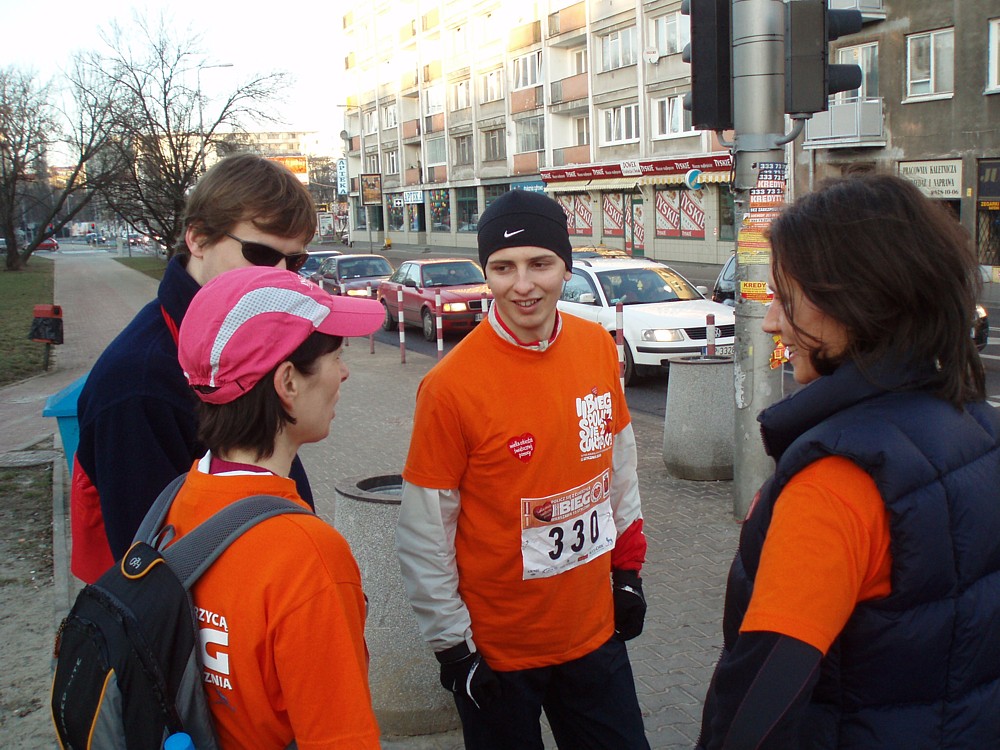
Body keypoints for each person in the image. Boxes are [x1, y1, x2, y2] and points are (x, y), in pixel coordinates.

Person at [697, 174, 1000, 749]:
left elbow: (758, 708)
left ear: (858, 301)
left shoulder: (837, 479)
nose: (771, 322)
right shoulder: (980, 428)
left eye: (787, 299)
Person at [396, 189, 651, 749]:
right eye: (503, 267)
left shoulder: (595, 347)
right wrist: (453, 648)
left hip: (593, 632)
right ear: (487, 274)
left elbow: (620, 471)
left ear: (566, 267)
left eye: (540, 263)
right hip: (498, 653)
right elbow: (425, 530)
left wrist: (627, 572)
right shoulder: (449, 387)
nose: (523, 284)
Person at [73, 154, 317, 583]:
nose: (281, 277)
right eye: (260, 254)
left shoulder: (240, 333)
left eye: (294, 262)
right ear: (198, 239)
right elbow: (150, 574)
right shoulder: (139, 384)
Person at [170, 265, 384, 748]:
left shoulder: (179, 500)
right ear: (288, 382)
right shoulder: (308, 557)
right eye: (336, 356)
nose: (344, 372)